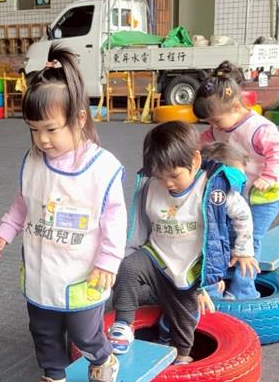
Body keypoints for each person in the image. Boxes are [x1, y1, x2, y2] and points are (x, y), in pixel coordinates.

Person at [0, 45, 127, 382]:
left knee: (84, 331)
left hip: (83, 271)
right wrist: (7, 227)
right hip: (41, 268)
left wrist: (108, 261)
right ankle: (54, 378)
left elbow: (115, 218)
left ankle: (103, 359)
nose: (42, 140)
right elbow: (25, 201)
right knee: (43, 330)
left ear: (79, 119)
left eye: (51, 129)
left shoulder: (101, 167)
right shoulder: (34, 161)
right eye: (34, 130)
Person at [108, 124, 256, 364]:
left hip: (190, 265)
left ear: (195, 160)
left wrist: (243, 250)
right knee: (128, 268)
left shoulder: (212, 188)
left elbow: (242, 214)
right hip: (156, 255)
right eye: (160, 177)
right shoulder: (150, 186)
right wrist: (126, 253)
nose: (167, 184)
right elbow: (139, 225)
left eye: (174, 176)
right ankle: (123, 324)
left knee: (184, 316)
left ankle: (182, 355)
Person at [194, 60, 279, 299]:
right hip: (235, 193)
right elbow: (201, 148)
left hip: (264, 194)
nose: (212, 126)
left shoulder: (258, 128)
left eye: (215, 120)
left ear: (235, 106)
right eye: (209, 122)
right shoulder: (216, 129)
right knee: (230, 232)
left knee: (250, 237)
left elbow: (277, 151)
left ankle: (244, 291)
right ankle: (222, 277)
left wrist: (269, 176)